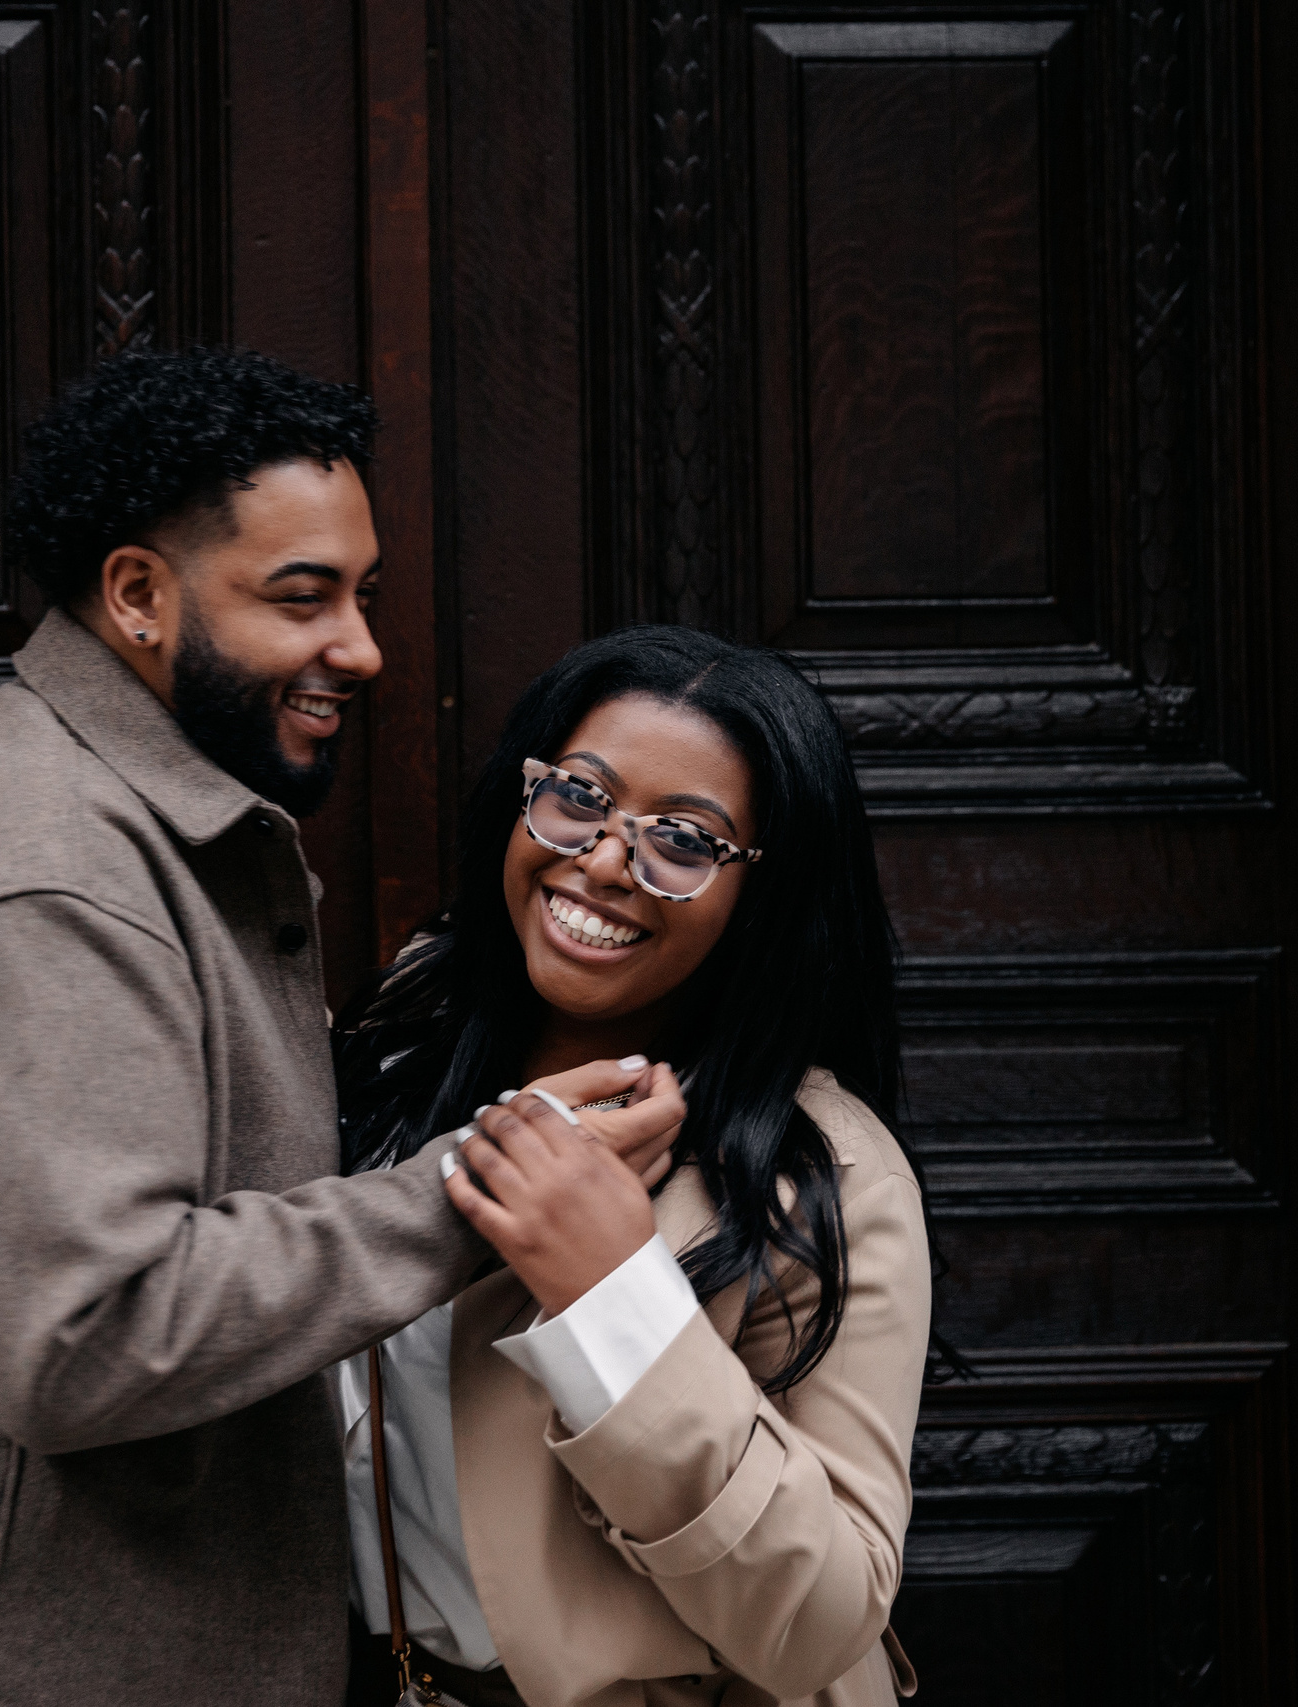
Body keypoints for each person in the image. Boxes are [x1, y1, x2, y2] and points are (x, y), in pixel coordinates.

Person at [0, 347, 684, 1707]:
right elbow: (85, 1331)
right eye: (303, 597)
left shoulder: (123, 824)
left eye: (363, 593)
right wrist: (481, 1188)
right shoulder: (50, 877)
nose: (360, 646)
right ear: (137, 593)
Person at [329, 628, 933, 1707]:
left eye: (685, 842)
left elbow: (824, 1619)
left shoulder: (829, 1170)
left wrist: (616, 1301)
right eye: (577, 795)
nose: (606, 860)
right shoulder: (401, 1036)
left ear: (764, 892)